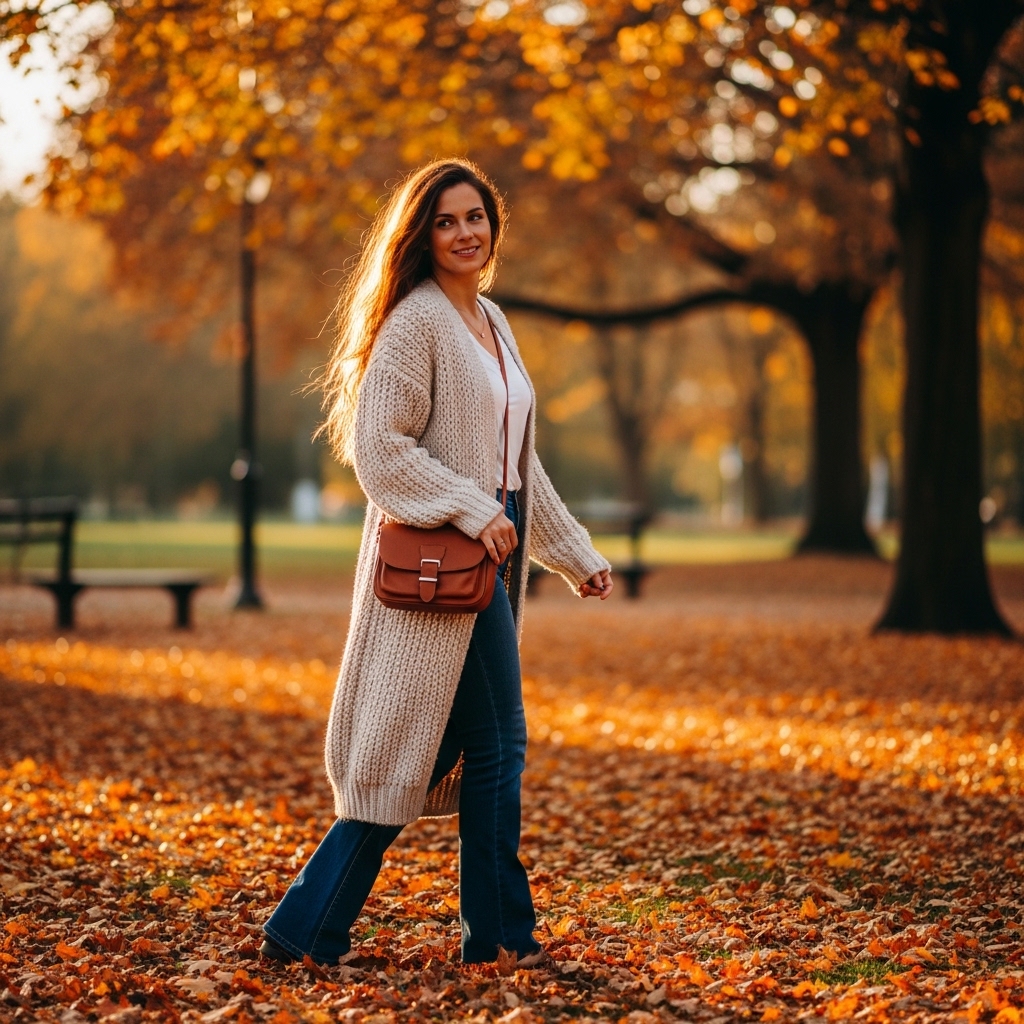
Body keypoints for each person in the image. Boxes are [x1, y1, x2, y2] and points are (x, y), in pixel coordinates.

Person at [260, 158, 614, 969]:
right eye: (447, 220)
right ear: (423, 233)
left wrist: (574, 554)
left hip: (490, 540)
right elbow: (376, 451)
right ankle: (498, 937)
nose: (465, 233)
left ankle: (312, 927)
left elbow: (520, 465)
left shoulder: (492, 320)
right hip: (439, 559)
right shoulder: (414, 322)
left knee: (430, 754)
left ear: (494, 230)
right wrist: (471, 506)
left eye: (476, 218)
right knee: (488, 747)